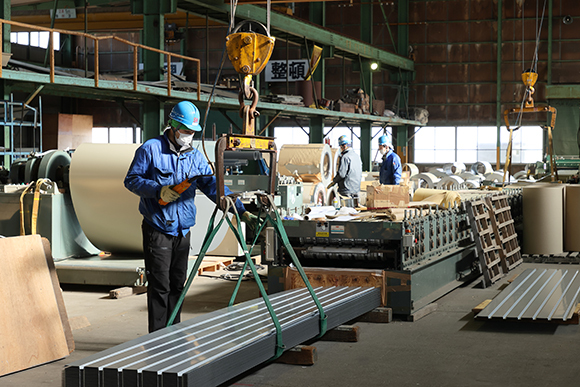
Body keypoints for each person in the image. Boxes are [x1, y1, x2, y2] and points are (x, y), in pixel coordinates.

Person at [124, 100, 258, 332]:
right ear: (173, 125)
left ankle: (173, 332)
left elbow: (212, 185)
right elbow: (132, 180)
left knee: (178, 284)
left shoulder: (195, 156)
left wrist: (241, 209)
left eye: (192, 132)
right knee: (160, 286)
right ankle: (157, 338)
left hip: (183, 230)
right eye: (186, 131)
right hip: (158, 229)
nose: (189, 136)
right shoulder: (151, 149)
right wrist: (158, 190)